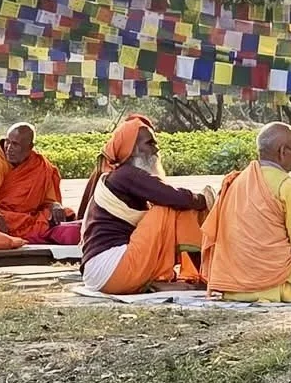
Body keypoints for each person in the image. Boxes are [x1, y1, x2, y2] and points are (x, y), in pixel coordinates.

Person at [201, 123, 291, 302]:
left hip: (233, 286)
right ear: (283, 151)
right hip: (272, 285)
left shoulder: (236, 182)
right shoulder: (288, 187)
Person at [79, 114, 210, 295]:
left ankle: (162, 280)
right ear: (132, 149)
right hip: (112, 270)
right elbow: (175, 197)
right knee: (170, 208)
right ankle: (207, 274)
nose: (156, 149)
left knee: (173, 207)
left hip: (100, 275)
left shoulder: (120, 176)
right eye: (150, 143)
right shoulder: (127, 174)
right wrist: (205, 200)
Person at [0, 123, 71, 241]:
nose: (8, 148)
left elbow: (48, 201)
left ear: (29, 147)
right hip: (3, 215)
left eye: (15, 144)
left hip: (29, 217)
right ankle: (45, 232)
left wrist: (55, 205)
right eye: (7, 142)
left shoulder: (40, 165)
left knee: (65, 213)